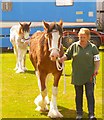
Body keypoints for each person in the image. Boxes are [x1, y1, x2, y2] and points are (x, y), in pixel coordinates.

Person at [59, 28, 100, 120]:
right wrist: (61, 59)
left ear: (88, 37)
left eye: (84, 37)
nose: (82, 39)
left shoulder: (93, 47)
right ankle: (79, 114)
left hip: (89, 76)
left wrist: (96, 70)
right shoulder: (74, 46)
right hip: (77, 76)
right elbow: (67, 55)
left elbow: (97, 60)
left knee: (90, 95)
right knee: (78, 95)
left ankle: (91, 114)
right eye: (80, 37)